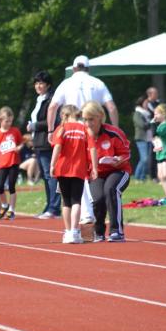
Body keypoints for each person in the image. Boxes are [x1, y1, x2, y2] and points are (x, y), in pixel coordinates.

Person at [47, 55, 117, 225]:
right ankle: (94, 208)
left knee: (77, 169)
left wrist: (50, 130)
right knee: (93, 167)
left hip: (71, 129)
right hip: (93, 127)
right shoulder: (97, 83)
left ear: (73, 68)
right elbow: (111, 107)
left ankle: (86, 212)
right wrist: (114, 130)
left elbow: (52, 107)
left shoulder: (66, 83)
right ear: (88, 68)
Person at [81, 101, 130, 242]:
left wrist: (118, 159)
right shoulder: (82, 135)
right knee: (98, 199)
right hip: (96, 173)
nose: (88, 123)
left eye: (91, 119)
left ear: (100, 117)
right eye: (85, 119)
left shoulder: (114, 133)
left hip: (118, 171)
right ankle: (99, 232)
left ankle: (116, 231)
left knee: (111, 189)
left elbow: (126, 153)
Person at [50, 105, 98, 244]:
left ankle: (68, 231)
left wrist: (52, 164)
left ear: (64, 115)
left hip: (62, 169)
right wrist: (95, 167)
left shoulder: (61, 129)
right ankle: (75, 231)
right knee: (76, 200)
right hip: (79, 169)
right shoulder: (84, 129)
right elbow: (93, 148)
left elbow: (57, 147)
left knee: (66, 202)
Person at [27, 71, 60, 219]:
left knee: (51, 175)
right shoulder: (39, 99)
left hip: (47, 142)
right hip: (38, 142)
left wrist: (34, 126)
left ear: (48, 85)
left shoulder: (51, 100)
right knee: (46, 177)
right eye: (36, 83)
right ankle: (49, 206)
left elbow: (53, 121)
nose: (38, 86)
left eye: (41, 83)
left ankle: (54, 208)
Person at [132, 95, 152, 183]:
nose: (147, 104)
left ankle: (142, 178)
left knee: (145, 159)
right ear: (141, 103)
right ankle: (137, 177)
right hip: (141, 139)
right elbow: (142, 125)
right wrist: (151, 122)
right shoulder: (137, 113)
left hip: (149, 138)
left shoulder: (148, 113)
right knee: (144, 159)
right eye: (146, 103)